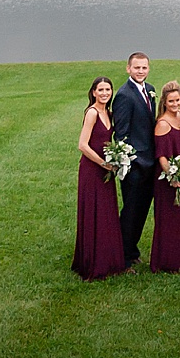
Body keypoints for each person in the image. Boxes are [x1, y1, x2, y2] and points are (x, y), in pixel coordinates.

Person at [72, 76, 126, 279]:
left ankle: (109, 259)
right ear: (93, 92)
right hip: (92, 169)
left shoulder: (108, 113)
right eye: (101, 90)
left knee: (106, 213)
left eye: (108, 90)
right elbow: (82, 145)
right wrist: (103, 163)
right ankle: (92, 262)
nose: (104, 93)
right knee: (94, 212)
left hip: (107, 169)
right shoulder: (92, 113)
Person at [110, 52, 157, 268]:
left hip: (150, 163)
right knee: (131, 211)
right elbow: (121, 134)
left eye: (144, 68)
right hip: (135, 166)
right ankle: (123, 256)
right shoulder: (124, 95)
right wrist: (133, 160)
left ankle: (131, 248)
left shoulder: (149, 90)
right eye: (137, 68)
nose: (140, 71)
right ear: (128, 69)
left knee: (141, 211)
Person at [148, 79, 180, 273]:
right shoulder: (162, 124)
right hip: (167, 180)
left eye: (178, 100)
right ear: (164, 102)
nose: (175, 104)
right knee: (168, 219)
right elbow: (161, 156)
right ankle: (166, 261)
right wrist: (172, 176)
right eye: (171, 101)